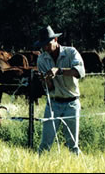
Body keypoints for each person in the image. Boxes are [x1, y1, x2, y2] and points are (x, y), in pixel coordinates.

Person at [33, 25, 85, 155]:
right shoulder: (41, 59)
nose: (45, 48)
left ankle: (78, 167)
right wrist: (46, 81)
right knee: (45, 143)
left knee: (72, 144)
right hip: (53, 104)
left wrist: (59, 70)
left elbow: (79, 72)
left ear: (55, 40)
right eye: (42, 45)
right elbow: (49, 88)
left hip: (71, 103)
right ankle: (38, 166)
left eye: (47, 44)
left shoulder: (71, 52)